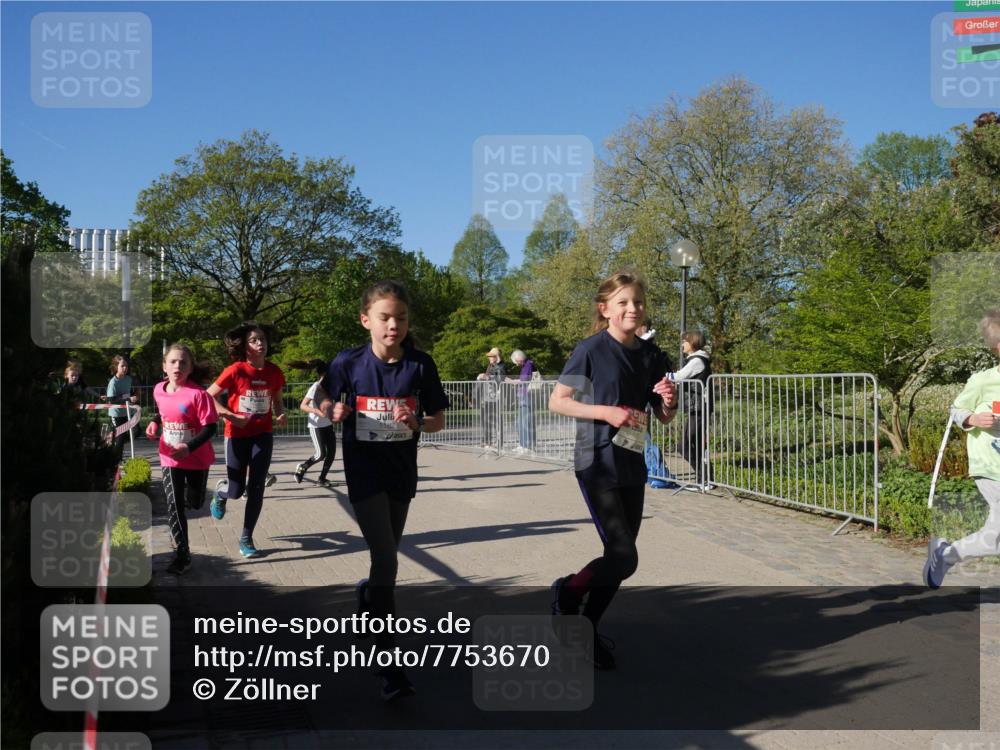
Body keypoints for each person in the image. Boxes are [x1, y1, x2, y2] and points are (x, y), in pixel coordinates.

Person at [317, 280, 449, 702]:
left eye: (401, 318)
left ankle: (368, 596)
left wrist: (418, 422)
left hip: (401, 473)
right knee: (387, 559)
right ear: (366, 320)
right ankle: (388, 664)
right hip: (364, 471)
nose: (394, 325)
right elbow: (322, 397)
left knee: (384, 562)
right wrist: (332, 409)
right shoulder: (349, 362)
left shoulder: (420, 365)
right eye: (385, 318)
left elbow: (439, 420)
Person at [548, 270, 678, 670]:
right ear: (605, 309)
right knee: (624, 555)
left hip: (632, 461)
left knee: (619, 558)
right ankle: (568, 593)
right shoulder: (590, 350)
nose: (632, 308)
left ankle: (583, 626)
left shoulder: (652, 355)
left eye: (638, 301)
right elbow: (558, 400)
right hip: (596, 460)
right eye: (623, 302)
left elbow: (664, 416)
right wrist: (605, 412)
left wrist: (669, 401)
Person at [924, 309, 1000, 588]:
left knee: (995, 537)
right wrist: (973, 419)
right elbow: (956, 409)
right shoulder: (983, 381)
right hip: (990, 466)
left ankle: (945, 555)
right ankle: (945, 556)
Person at [207, 322, 287, 559]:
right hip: (236, 435)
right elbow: (207, 396)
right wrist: (229, 415)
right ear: (245, 346)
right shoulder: (236, 370)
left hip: (262, 435)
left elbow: (278, 399)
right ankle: (221, 494)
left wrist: (281, 413)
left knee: (257, 487)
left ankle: (246, 537)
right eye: (254, 340)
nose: (260, 343)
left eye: (262, 339)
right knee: (236, 489)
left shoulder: (274, 371)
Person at [145, 344, 218, 576]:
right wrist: (154, 421)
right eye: (173, 362)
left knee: (195, 504)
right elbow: (163, 410)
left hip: (196, 458)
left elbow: (210, 428)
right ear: (164, 366)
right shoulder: (158, 389)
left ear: (190, 368)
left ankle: (213, 496)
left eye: (183, 362)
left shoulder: (199, 394)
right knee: (174, 505)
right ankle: (183, 555)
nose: (178, 366)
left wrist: (189, 447)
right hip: (169, 457)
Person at [671, 330, 713, 489]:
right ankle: (705, 481)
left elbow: (679, 376)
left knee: (684, 445)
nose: (682, 344)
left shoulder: (697, 361)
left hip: (700, 408)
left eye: (685, 341)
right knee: (694, 444)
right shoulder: (696, 359)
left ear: (693, 342)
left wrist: (660, 376)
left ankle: (705, 480)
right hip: (698, 408)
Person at [293, 359, 337, 486]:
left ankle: (322, 479)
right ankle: (302, 467)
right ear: (324, 374)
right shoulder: (316, 387)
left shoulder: (331, 387)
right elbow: (303, 405)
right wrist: (316, 411)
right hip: (316, 425)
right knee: (321, 454)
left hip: (328, 424)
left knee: (331, 453)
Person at [105, 354, 138, 461]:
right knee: (121, 437)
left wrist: (134, 395)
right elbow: (111, 400)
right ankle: (116, 460)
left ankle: (113, 437)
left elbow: (128, 393)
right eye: (122, 366)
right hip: (116, 414)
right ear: (116, 367)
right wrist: (128, 399)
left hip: (127, 412)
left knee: (137, 431)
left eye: (126, 366)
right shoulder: (113, 382)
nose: (125, 368)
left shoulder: (128, 379)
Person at [509, 349, 537, 453]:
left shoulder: (528, 365)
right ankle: (523, 444)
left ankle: (526, 445)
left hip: (526, 395)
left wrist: (513, 382)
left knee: (524, 421)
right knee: (521, 421)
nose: (516, 364)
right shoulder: (526, 365)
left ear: (519, 358)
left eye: (516, 361)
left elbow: (524, 380)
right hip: (523, 395)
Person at [477, 347, 505, 447]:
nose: (489, 358)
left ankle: (499, 442)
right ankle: (486, 441)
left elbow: (500, 380)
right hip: (488, 396)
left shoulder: (500, 366)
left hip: (496, 397)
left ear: (497, 357)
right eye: (489, 356)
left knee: (497, 420)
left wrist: (488, 377)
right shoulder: (490, 365)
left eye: (491, 356)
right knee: (486, 419)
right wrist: (484, 377)